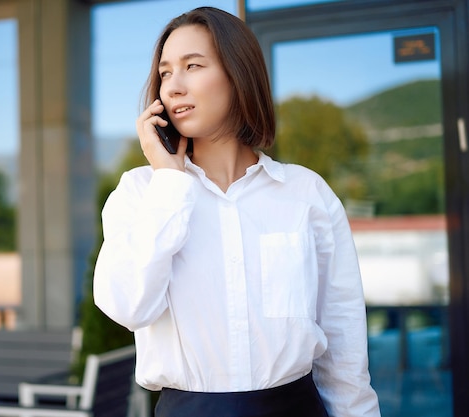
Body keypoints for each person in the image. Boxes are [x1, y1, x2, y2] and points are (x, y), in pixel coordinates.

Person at [93, 6, 380, 417]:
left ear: (238, 74)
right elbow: (127, 306)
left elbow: (344, 346)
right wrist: (170, 181)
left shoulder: (305, 194)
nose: (174, 86)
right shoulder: (140, 193)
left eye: (193, 66)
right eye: (166, 72)